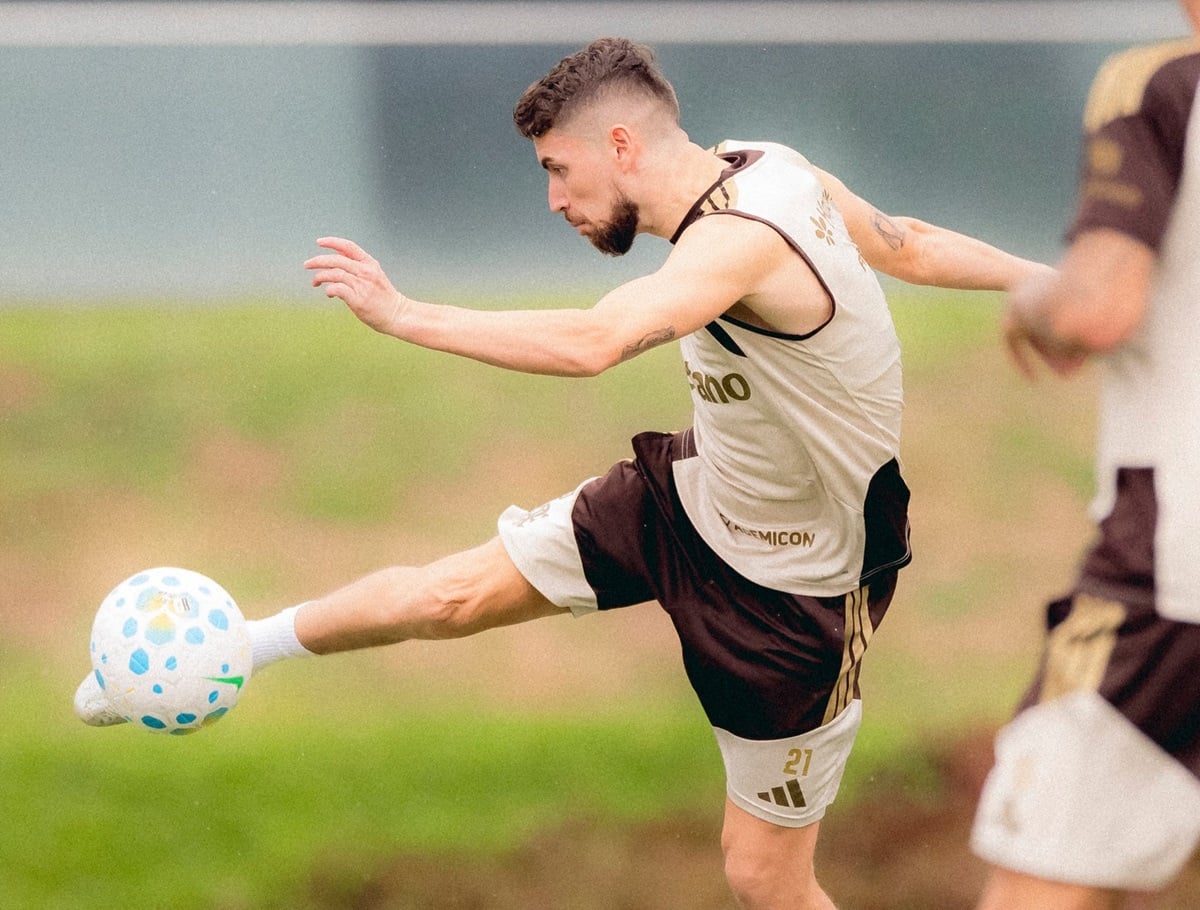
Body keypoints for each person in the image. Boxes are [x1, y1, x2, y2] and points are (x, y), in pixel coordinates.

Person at [76, 38, 1048, 909]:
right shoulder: (768, 164)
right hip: (691, 498)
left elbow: (596, 340)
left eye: (558, 169)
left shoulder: (744, 237)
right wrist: (1043, 278)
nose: (553, 200)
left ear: (623, 144)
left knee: (763, 877)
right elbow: (907, 242)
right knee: (451, 595)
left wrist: (408, 316)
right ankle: (239, 650)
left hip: (792, 599)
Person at [970, 6, 1200, 909]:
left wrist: (1034, 303)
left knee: (1040, 879)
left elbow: (1096, 310)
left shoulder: (1157, 85)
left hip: (1173, 572)